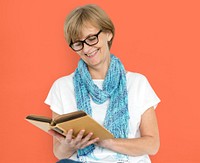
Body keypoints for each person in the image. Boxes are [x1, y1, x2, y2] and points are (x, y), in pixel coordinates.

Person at [45, 4, 160, 163]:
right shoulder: (62, 86)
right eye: (78, 43)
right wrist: (70, 145)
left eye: (91, 38)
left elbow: (152, 145)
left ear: (108, 34)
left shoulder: (137, 83)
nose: (86, 49)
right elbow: (59, 152)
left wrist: (107, 141)